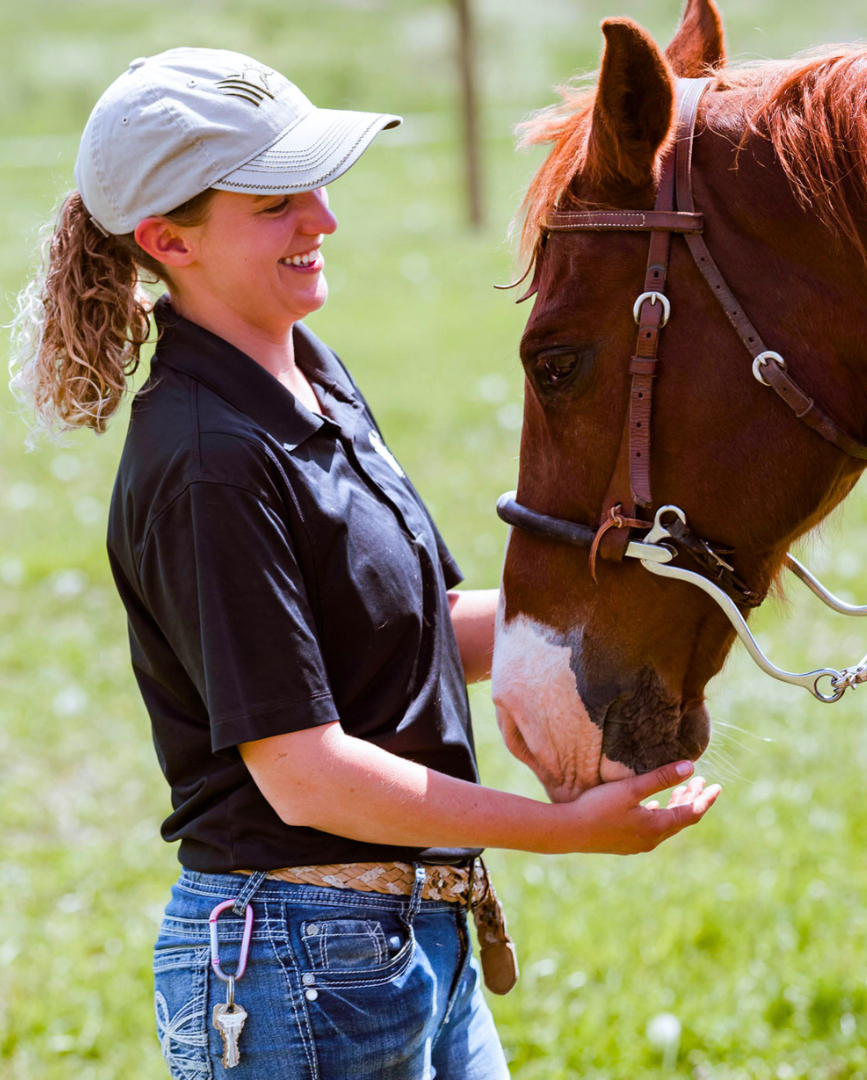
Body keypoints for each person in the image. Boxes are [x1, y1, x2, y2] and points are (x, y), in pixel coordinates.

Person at [8, 46, 722, 1079]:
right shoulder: (210, 464)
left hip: (403, 947)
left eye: (316, 184)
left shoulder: (312, 377)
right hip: (293, 964)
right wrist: (561, 831)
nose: (323, 219)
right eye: (274, 203)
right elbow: (305, 775)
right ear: (169, 239)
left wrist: (658, 602)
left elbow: (416, 632)